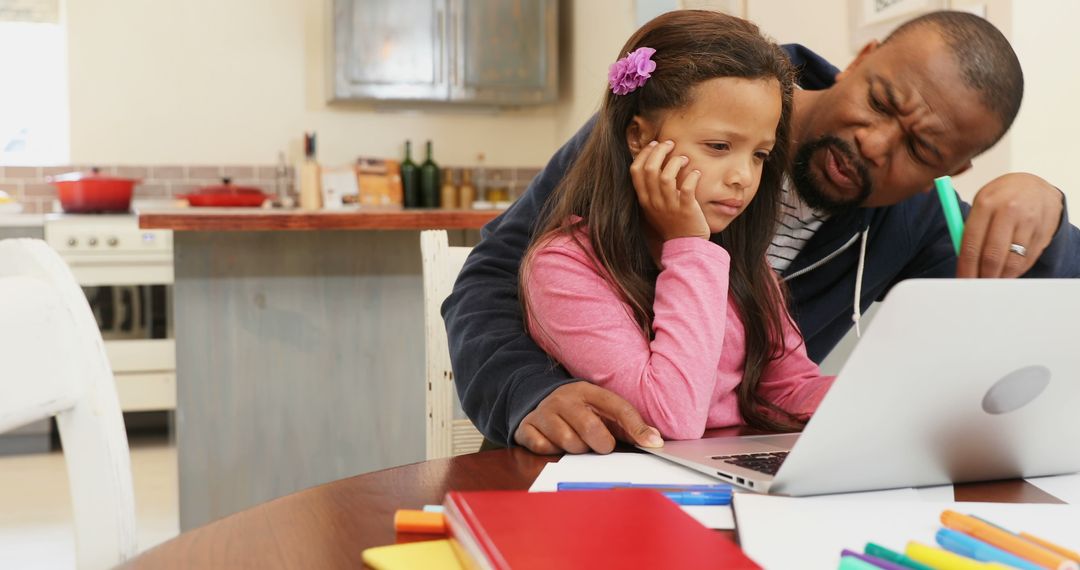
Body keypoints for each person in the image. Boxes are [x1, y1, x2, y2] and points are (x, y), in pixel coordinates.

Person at [444, 11, 1080, 454]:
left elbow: (1045, 313)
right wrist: (526, 391)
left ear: (950, 171)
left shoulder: (914, 223)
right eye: (882, 102)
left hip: (731, 471)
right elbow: (497, 271)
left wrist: (1047, 213)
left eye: (922, 147)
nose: (875, 142)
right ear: (860, 60)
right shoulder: (676, 123)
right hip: (593, 464)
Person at [520, 11, 834, 441]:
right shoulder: (565, 267)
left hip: (726, 475)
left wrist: (881, 403)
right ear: (638, 137)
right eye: (719, 146)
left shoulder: (739, 266)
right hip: (628, 490)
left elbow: (790, 387)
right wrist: (687, 244)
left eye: (760, 154)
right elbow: (669, 417)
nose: (744, 176)